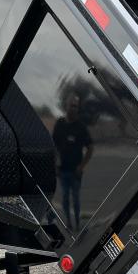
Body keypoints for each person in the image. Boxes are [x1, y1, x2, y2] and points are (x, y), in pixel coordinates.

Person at [53, 93, 93, 231]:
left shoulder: (81, 127)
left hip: (75, 171)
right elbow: (54, 145)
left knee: (75, 199)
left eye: (75, 106)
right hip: (63, 170)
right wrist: (55, 165)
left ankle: (77, 223)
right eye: (71, 105)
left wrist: (82, 166)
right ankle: (68, 222)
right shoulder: (60, 124)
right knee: (65, 197)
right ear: (66, 106)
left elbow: (90, 147)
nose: (73, 108)